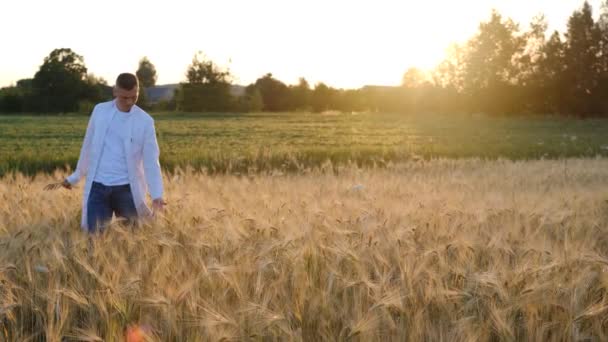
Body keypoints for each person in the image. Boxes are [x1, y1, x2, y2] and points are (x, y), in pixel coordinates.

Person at [52, 73, 165, 233]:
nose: (130, 102)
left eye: (134, 97)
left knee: (131, 242)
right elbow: (88, 146)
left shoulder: (145, 121)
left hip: (127, 191)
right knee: (94, 239)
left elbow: (151, 161)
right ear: (115, 91)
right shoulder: (100, 111)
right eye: (125, 97)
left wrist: (157, 195)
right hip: (97, 189)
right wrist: (75, 177)